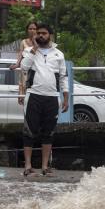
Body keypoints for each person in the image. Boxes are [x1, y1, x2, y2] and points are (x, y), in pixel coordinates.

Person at [20, 23, 69, 177]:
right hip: (33, 95)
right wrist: (33, 50)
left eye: (44, 33)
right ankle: (28, 166)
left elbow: (63, 77)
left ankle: (45, 166)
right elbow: (23, 67)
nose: (40, 35)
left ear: (50, 35)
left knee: (49, 132)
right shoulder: (29, 51)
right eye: (38, 33)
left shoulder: (59, 54)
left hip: (52, 98)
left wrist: (66, 98)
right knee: (29, 131)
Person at [11, 21, 38, 105]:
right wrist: (17, 64)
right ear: (27, 30)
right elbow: (20, 54)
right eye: (30, 29)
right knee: (23, 87)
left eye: (34, 29)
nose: (32, 30)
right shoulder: (23, 42)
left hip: (35, 69)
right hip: (25, 69)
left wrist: (35, 41)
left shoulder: (40, 41)